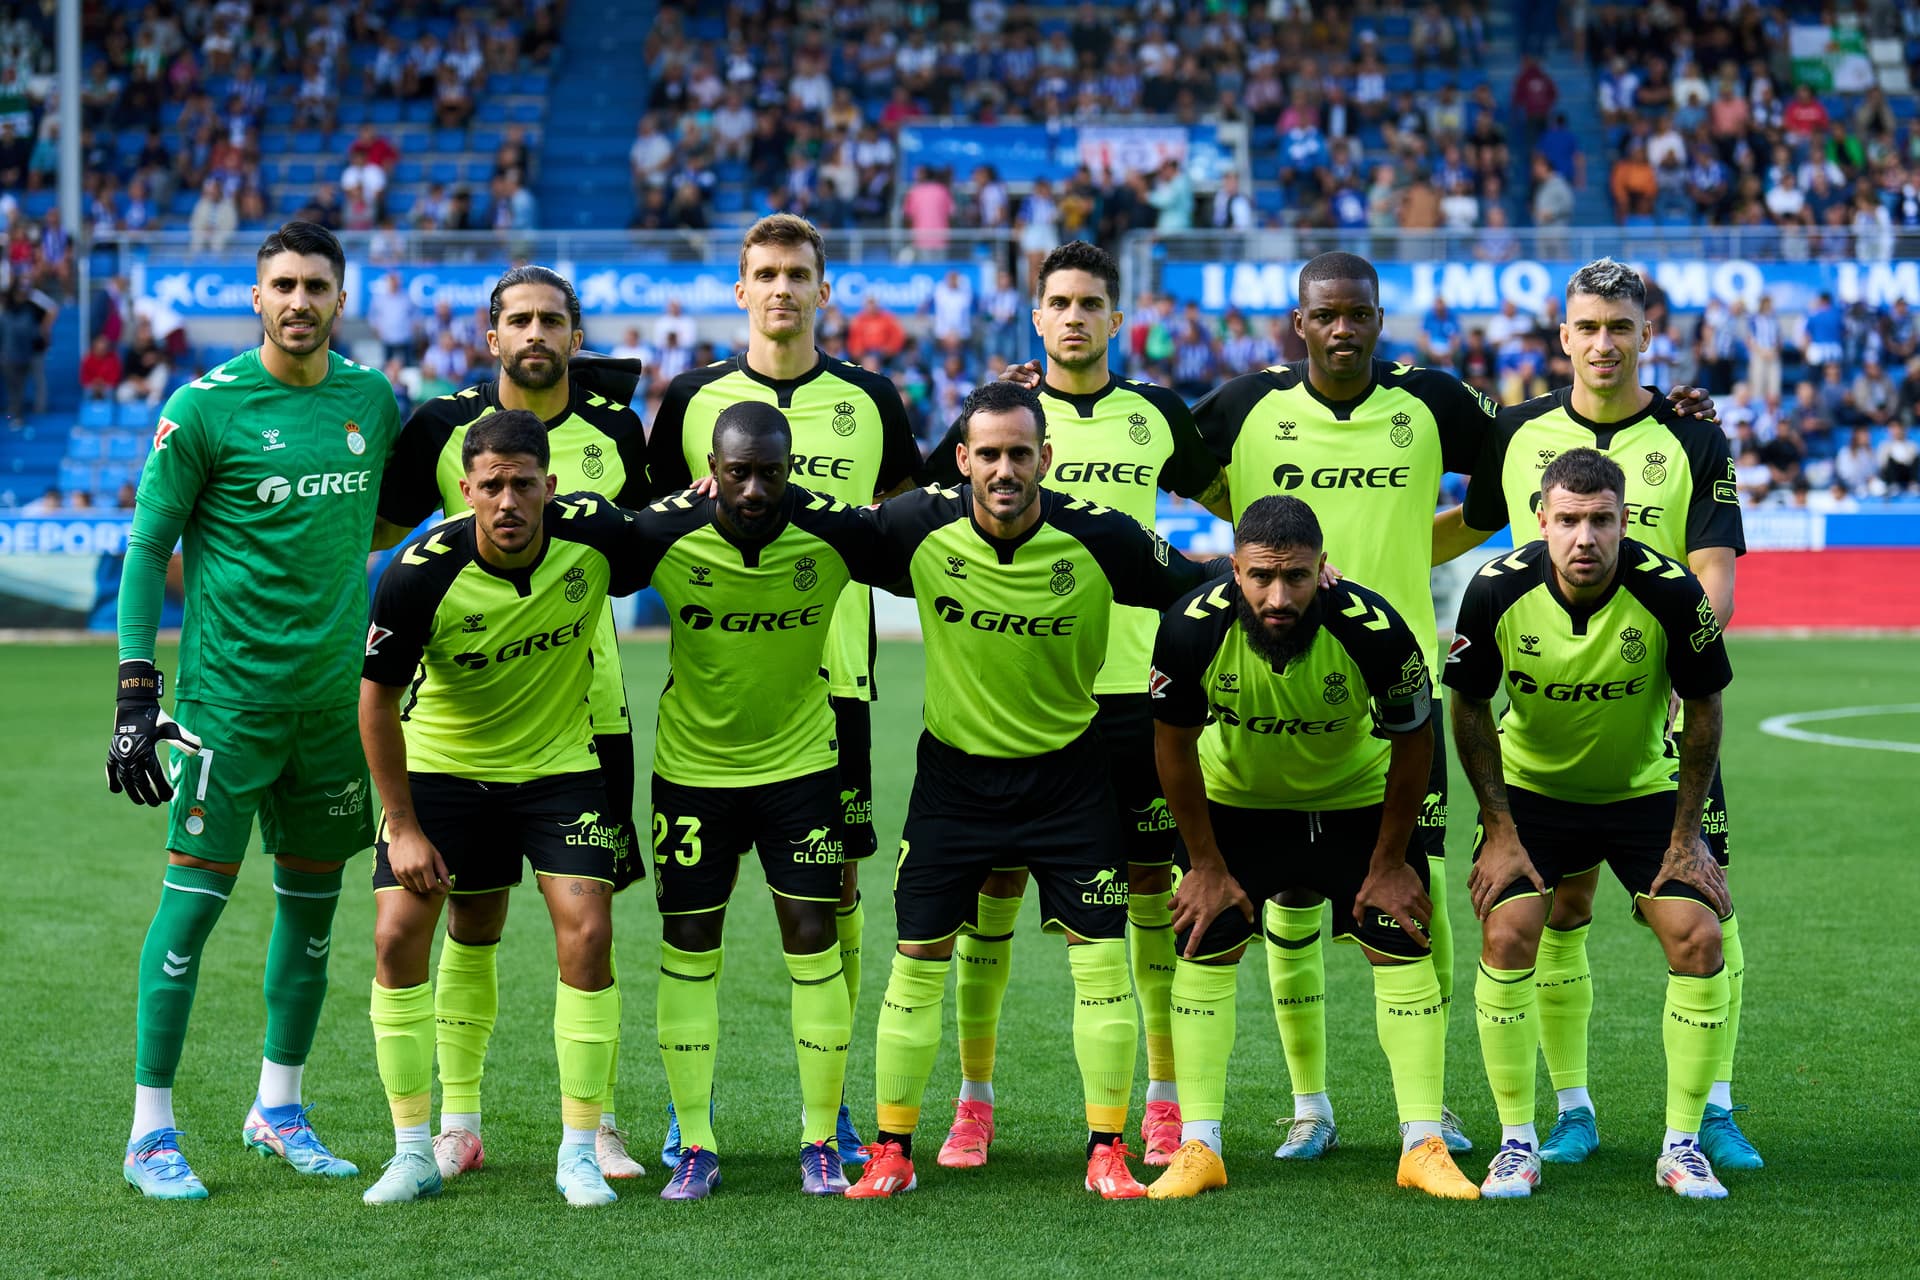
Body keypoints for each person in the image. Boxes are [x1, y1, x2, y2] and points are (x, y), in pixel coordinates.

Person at [1189, 252, 1717, 1164]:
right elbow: (1168, 457)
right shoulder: (1245, 406)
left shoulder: (1434, 401)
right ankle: (1308, 1104)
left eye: (1359, 313)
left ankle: (1428, 1110)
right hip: (1273, 671)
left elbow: (1533, 445)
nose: (1343, 327)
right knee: (1286, 899)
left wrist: (1663, 409)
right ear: (1299, 321)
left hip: (1402, 684)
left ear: (1380, 318)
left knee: (1416, 890)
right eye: (1327, 314)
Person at [843, 381, 1227, 1201]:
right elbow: (813, 528)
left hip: (1069, 777)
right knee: (916, 963)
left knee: (1100, 963)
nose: (1005, 469)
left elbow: (1201, 585)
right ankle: (892, 1150)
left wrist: (1271, 569)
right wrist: (717, 495)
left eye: (1021, 454)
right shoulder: (917, 527)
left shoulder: (1102, 537)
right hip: (953, 782)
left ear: (1045, 458)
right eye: (989, 455)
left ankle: (1106, 1149)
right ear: (962, 461)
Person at [108, 222, 403, 1199]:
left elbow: (381, 519)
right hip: (224, 710)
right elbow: (149, 547)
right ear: (257, 296)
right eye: (283, 284)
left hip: (331, 716)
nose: (300, 300)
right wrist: (135, 688)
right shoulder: (206, 408)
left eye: (317, 285)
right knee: (189, 912)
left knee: (314, 922)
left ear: (339, 296)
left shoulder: (371, 401)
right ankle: (151, 1130)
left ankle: (279, 1106)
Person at [921, 241, 1231, 1170]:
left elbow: (1234, 496)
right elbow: (918, 505)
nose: (1074, 318)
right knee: (991, 893)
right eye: (1058, 302)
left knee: (1145, 895)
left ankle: (1163, 1098)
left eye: (1091, 303)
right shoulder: (997, 416)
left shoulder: (1155, 414)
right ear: (1036, 315)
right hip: (1017, 696)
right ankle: (973, 1103)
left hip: (1135, 695)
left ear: (1116, 316)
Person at [1440, 257, 1754, 1171]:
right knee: (1559, 907)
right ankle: (1568, 1111)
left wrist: (1659, 648)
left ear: (1645, 334)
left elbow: (1713, 586)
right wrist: (1332, 560)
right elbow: (1470, 531)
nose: (1604, 344)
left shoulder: (1694, 436)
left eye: (1621, 327)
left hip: (1653, 715)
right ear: (1563, 334)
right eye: (1589, 327)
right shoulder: (1515, 431)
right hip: (1546, 718)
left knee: (1710, 914)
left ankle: (1716, 1108)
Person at [648, 214, 923, 1167]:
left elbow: (907, 518)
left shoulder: (871, 396)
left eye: (797, 274)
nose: (780, 289)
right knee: (703, 919)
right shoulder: (689, 398)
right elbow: (656, 526)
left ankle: (832, 1107)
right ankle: (700, 1128)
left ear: (823, 289)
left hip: (836, 675)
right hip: (719, 680)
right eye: (763, 273)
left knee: (834, 892)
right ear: (740, 289)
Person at [373, 265, 651, 1183]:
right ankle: (451, 1126)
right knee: (471, 921)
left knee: (591, 927)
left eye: (553, 320)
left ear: (576, 333)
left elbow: (659, 536)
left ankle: (595, 1125)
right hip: (458, 726)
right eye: (519, 319)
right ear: (491, 334)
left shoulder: (617, 429)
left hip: (585, 714)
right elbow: (373, 530)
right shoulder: (438, 436)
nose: (536, 333)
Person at [1144, 495, 1477, 1202]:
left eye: (1296, 577)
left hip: (1356, 803)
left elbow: (1415, 744)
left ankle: (1423, 1141)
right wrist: (1204, 864)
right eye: (1261, 576)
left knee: (1404, 942)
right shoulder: (1189, 628)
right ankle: (1200, 1144)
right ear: (1234, 569)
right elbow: (1171, 746)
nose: (1278, 595)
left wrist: (1389, 863)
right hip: (1239, 807)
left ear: (1323, 569)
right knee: (1206, 942)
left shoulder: (1375, 630)